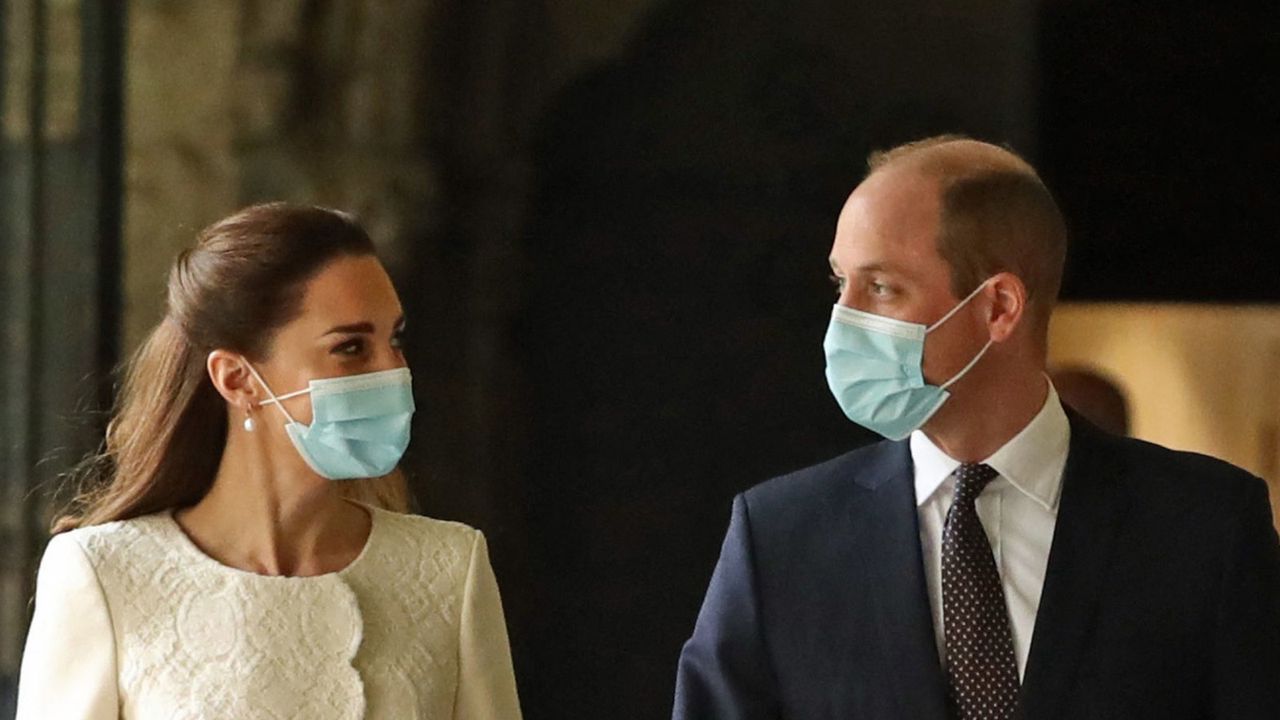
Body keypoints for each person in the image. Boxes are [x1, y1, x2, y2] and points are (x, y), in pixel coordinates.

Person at [673, 136, 1280, 719]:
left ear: (999, 308)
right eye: (841, 282)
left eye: (882, 287)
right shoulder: (781, 537)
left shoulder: (1208, 530)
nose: (843, 318)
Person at [17, 203, 522, 719]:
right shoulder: (105, 574)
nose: (393, 370)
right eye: (351, 346)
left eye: (394, 339)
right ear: (237, 379)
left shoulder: (448, 569)